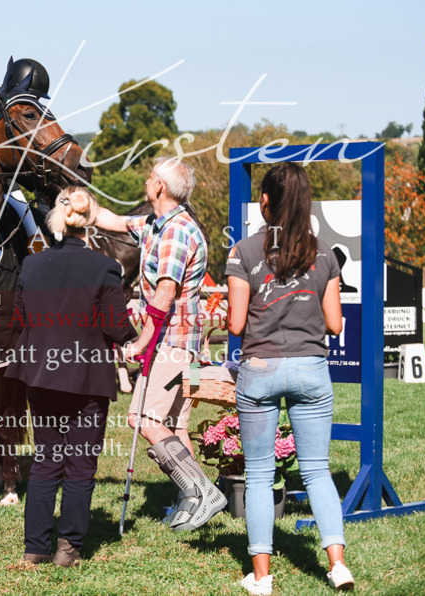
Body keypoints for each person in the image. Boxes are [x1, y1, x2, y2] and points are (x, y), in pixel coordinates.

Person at [225, 163, 353, 594]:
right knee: (317, 472)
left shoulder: (243, 251)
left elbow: (237, 324)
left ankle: (261, 577)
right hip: (312, 370)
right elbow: (335, 324)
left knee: (259, 475)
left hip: (260, 369)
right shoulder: (324, 254)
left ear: (265, 201)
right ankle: (336, 565)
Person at [7, 187, 138, 566]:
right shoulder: (104, 267)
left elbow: (19, 320)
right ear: (91, 221)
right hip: (87, 378)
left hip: (41, 376)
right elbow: (116, 327)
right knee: (80, 462)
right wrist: (137, 339)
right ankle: (69, 548)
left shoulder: (32, 265)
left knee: (47, 459)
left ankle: (35, 548)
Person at [95, 156, 227, 531]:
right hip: (179, 342)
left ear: (160, 188)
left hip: (173, 342)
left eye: (151, 176)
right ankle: (195, 498)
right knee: (173, 424)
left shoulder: (176, 232)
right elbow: (116, 221)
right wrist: (73, 200)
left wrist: (141, 342)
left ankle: (202, 491)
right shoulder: (156, 224)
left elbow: (166, 292)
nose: (146, 180)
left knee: (144, 418)